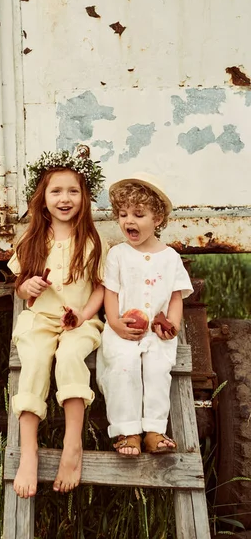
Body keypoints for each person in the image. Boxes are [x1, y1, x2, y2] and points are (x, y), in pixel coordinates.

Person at [7, 149, 106, 498]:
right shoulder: (31, 239)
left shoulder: (93, 241)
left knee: (69, 359)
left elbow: (99, 288)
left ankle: (72, 443)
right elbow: (21, 288)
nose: (65, 199)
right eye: (56, 191)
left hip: (78, 322)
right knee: (33, 361)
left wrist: (84, 315)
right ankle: (29, 451)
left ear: (84, 197)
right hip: (39, 320)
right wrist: (27, 286)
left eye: (73, 191)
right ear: (42, 198)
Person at [96, 172, 193, 456]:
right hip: (123, 328)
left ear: (158, 219)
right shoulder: (118, 255)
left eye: (139, 214)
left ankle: (154, 430)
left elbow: (176, 297)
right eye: (123, 214)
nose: (129, 221)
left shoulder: (170, 257)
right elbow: (110, 293)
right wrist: (114, 323)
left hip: (157, 333)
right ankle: (127, 432)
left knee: (157, 370)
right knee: (123, 367)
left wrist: (172, 324)